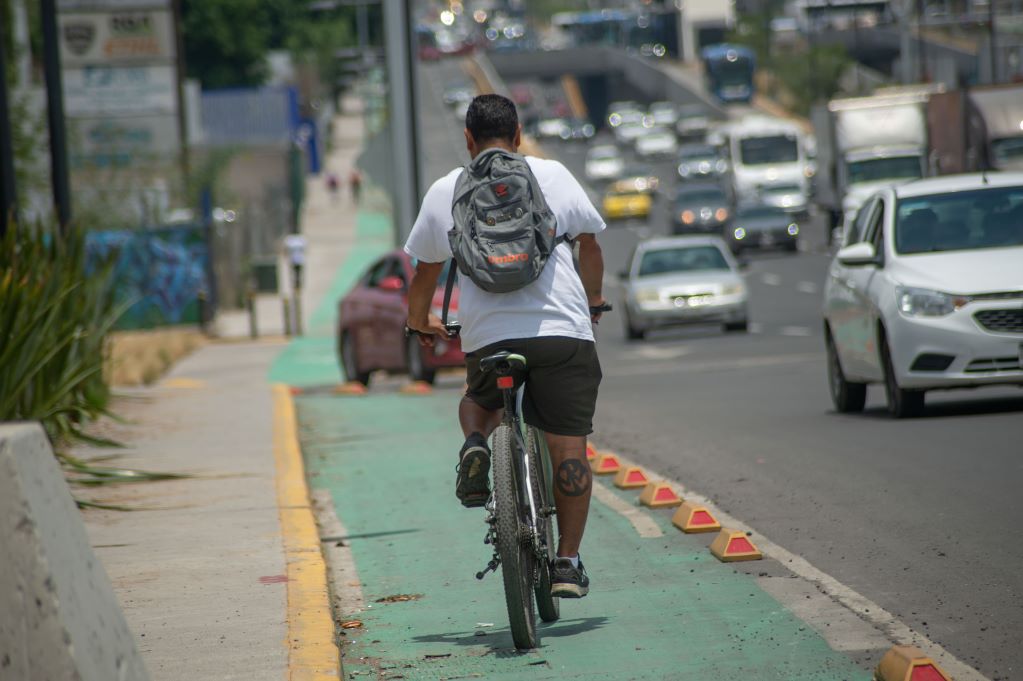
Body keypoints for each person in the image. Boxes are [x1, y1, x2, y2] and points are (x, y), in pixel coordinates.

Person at [404, 94, 607, 599]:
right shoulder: (553, 176)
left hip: (488, 337)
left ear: (468, 140)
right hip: (561, 333)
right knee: (568, 447)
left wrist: (420, 323)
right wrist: (594, 303)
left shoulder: (446, 190)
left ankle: (477, 445)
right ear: (518, 136)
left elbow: (425, 273)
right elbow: (590, 244)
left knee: (479, 400)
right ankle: (566, 562)